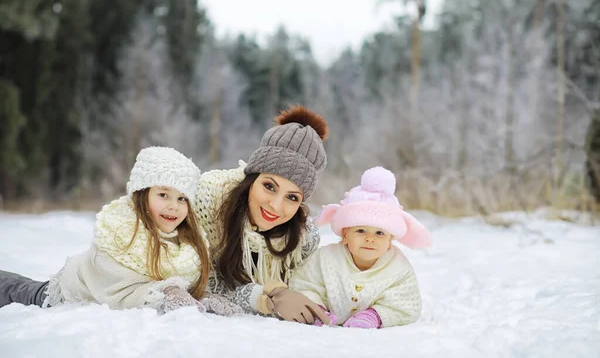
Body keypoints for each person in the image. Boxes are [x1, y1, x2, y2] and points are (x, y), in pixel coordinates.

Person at [0, 147, 241, 316]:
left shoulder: (187, 244)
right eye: (163, 195)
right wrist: (166, 292)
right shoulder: (118, 231)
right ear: (141, 194)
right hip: (64, 296)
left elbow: (184, 282)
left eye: (182, 198)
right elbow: (117, 291)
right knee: (16, 290)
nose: (173, 206)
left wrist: (202, 295)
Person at [194, 105, 332, 324]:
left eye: (292, 197)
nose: (276, 206)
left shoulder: (303, 239)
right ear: (251, 180)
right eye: (269, 186)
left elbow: (307, 286)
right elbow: (202, 284)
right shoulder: (208, 203)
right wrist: (270, 297)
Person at [289, 166, 432, 328]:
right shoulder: (325, 258)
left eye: (379, 233)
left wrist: (376, 315)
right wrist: (316, 308)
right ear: (345, 234)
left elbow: (406, 305)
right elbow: (304, 285)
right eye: (361, 230)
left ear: (390, 240)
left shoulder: (398, 269)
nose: (370, 239)